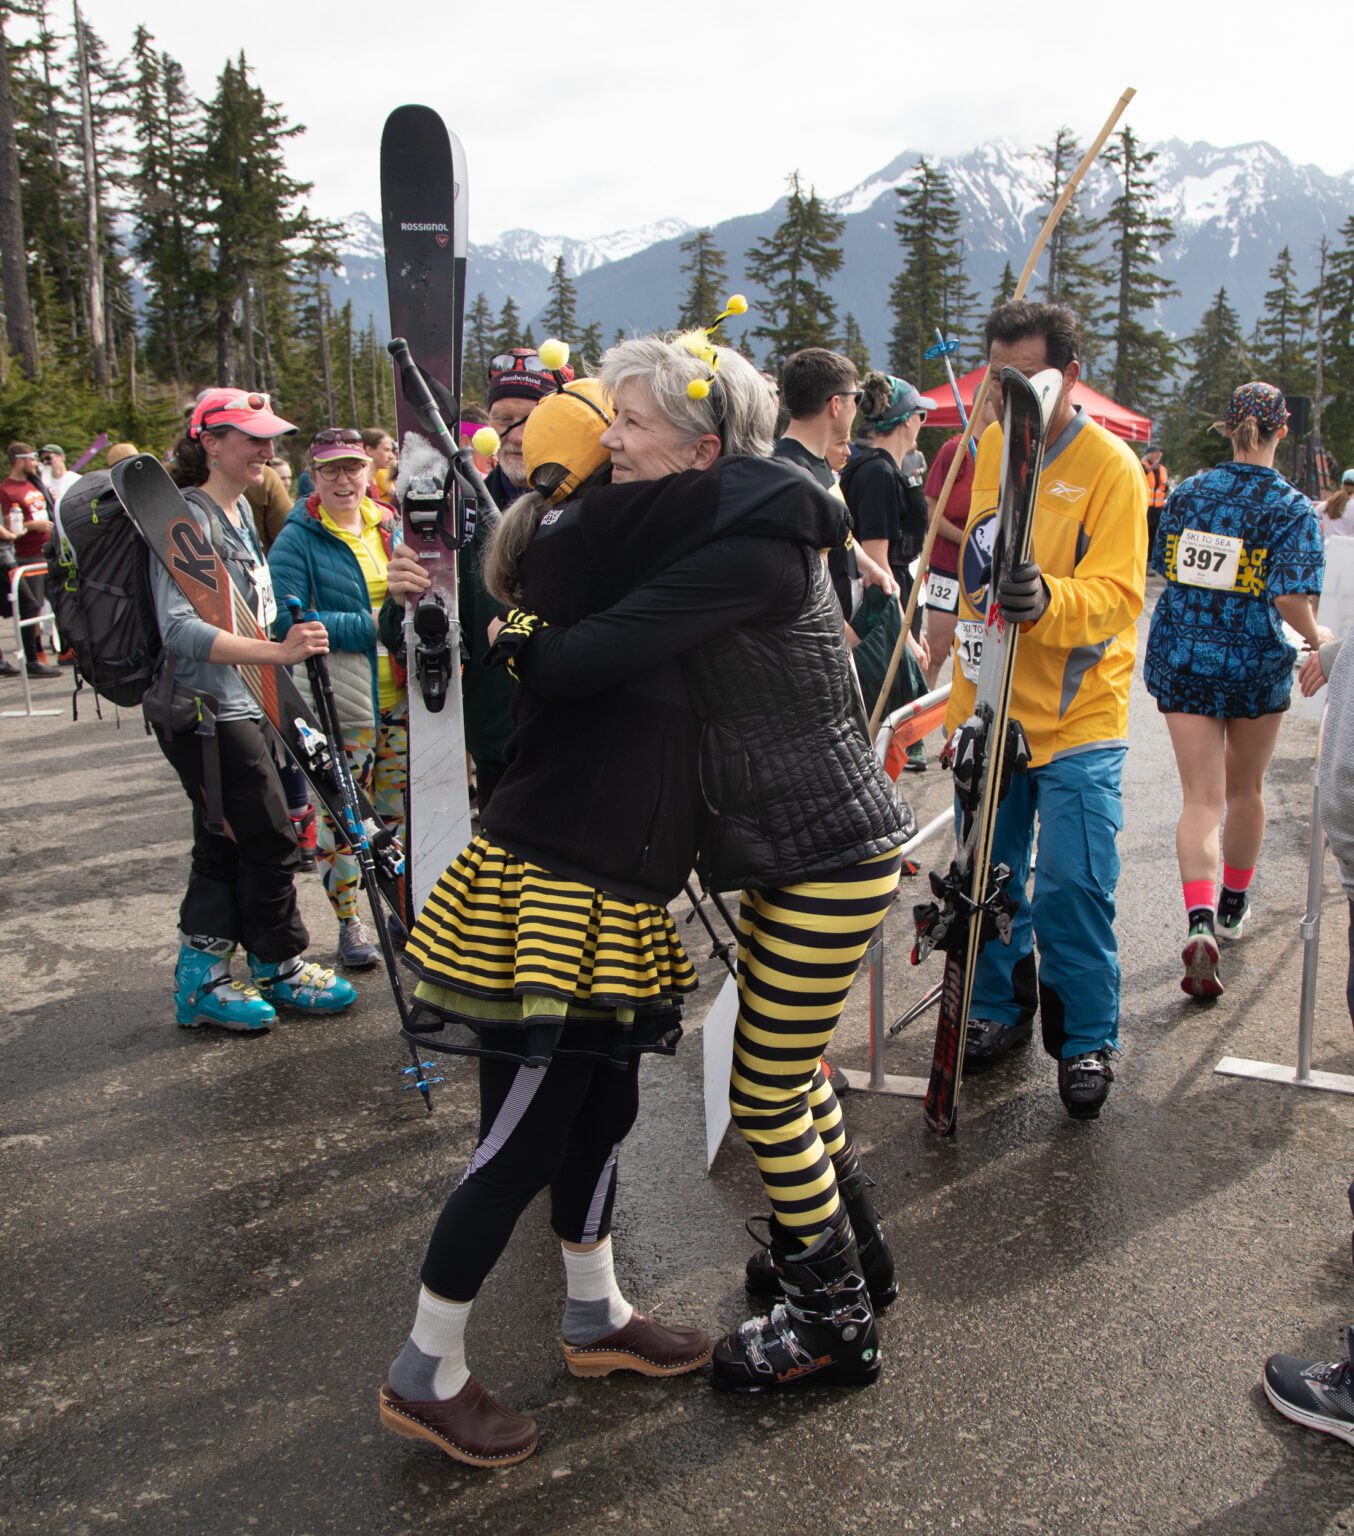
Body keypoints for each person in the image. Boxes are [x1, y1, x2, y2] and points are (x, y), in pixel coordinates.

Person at [481, 333, 908, 1395]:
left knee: (763, 1091)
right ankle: (854, 1261)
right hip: (797, 851)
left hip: (823, 855)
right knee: (791, 1077)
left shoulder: (740, 550)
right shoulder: (741, 513)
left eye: (628, 423)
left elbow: (578, 659)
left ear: (703, 446)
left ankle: (833, 1327)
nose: (607, 439)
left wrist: (513, 625)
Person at [379, 369, 715, 1470]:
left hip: (613, 888)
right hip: (554, 889)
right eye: (615, 422)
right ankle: (426, 1368)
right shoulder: (584, 537)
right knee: (524, 1135)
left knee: (602, 1106)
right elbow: (757, 497)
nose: (628, 437)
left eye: (638, 420)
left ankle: (595, 1312)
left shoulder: (599, 542)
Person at [944, 300, 1147, 1119]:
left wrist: (1051, 598)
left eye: (1029, 377)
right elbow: (973, 570)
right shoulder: (991, 446)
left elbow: (1122, 593)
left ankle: (1087, 1035)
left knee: (1071, 883)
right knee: (988, 877)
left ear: (1072, 376)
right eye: (1000, 377)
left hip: (1077, 717)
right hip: (994, 710)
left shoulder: (1111, 468)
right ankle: (1000, 1004)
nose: (1011, 393)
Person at [152, 389, 357, 1031]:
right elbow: (179, 628)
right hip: (209, 709)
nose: (267, 451)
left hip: (245, 701)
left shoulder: (237, 512)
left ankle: (208, 976)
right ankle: (275, 964)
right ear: (209, 442)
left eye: (271, 439)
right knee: (268, 836)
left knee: (227, 838)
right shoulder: (190, 518)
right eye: (251, 438)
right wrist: (276, 651)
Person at [1146, 382, 1325, 999]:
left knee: (1201, 798)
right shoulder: (1294, 509)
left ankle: (1198, 919)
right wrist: (1319, 634)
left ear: (1228, 428)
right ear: (1283, 431)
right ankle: (1232, 906)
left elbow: (1168, 568)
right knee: (1245, 789)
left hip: (1185, 658)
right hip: (1252, 664)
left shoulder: (1188, 492)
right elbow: (1289, 597)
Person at [381, 348, 568, 814]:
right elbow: (404, 637)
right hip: (497, 748)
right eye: (503, 419)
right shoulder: (460, 518)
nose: (516, 436)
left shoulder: (590, 506)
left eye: (532, 419)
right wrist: (402, 598)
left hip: (579, 745)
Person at [269, 429, 407, 971]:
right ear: (314, 475)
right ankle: (351, 924)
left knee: (395, 816)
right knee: (344, 823)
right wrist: (373, 625)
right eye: (331, 470)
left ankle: (400, 910)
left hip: (402, 698)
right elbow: (288, 622)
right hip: (341, 704)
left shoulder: (391, 523)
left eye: (353, 467)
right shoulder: (298, 537)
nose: (344, 479)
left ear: (369, 470)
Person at [840, 373, 937, 637]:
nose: (922, 423)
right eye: (921, 415)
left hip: (898, 596)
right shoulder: (878, 474)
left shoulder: (881, 469)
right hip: (885, 606)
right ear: (906, 421)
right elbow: (877, 559)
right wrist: (905, 636)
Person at [921, 405, 995, 688]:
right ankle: (919, 714)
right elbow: (931, 511)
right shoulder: (955, 450)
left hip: (984, 572)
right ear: (983, 403)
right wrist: (970, 539)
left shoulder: (1002, 451)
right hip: (949, 565)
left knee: (977, 658)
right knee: (937, 649)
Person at [0, 442, 59, 677]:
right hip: (24, 553)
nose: (35, 463)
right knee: (30, 606)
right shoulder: (6, 489)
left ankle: (62, 650)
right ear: (20, 460)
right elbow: (8, 525)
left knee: (52, 603)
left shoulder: (34, 484)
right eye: (32, 459)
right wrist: (29, 526)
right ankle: (33, 656)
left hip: (48, 549)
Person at [1141, 442, 1169, 549]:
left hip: (1158, 508)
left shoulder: (1163, 470)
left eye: (1159, 453)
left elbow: (1165, 488)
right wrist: (1151, 468)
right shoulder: (1143, 466)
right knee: (1144, 534)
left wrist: (1166, 486)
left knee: (1155, 535)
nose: (1157, 455)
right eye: (1154, 453)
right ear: (1148, 454)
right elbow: (1140, 475)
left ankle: (1151, 558)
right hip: (1145, 507)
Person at [361, 429, 397, 506]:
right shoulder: (362, 485)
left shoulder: (372, 481)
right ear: (369, 450)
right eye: (387, 450)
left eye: (392, 451)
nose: (392, 456)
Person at [39, 444, 81, 509]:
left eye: (48, 458)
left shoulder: (76, 479)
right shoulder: (43, 483)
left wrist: (59, 501)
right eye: (42, 460)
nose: (45, 462)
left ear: (62, 457)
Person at [1318, 468, 1354, 538]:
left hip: (1328, 547)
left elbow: (1310, 517)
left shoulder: (1326, 504)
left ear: (1342, 485)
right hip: (1350, 547)